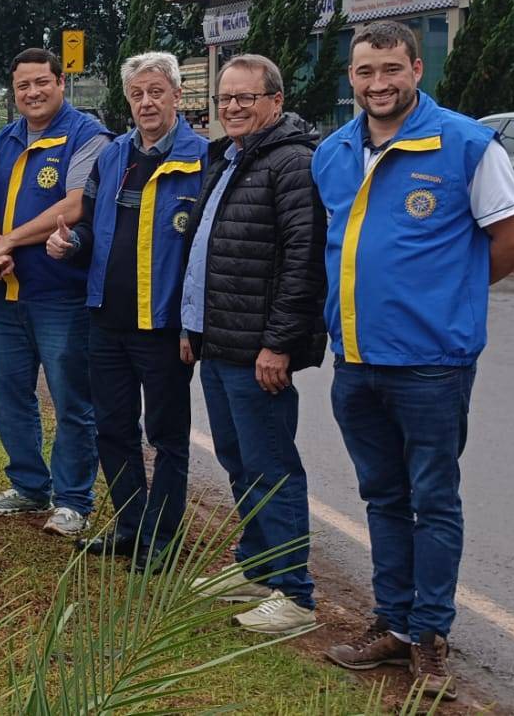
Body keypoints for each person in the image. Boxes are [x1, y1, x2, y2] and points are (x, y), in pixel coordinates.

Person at [314, 21, 514, 699]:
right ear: (351, 78)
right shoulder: (333, 152)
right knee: (383, 496)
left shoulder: (466, 145)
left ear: (416, 69)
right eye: (365, 71)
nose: (378, 83)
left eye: (391, 69)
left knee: (432, 501)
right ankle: (392, 622)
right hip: (355, 361)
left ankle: (429, 636)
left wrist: (450, 296)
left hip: (432, 366)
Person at [178, 54, 327, 634]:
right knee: (239, 462)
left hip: (259, 352)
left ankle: (295, 594)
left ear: (276, 102)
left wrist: (279, 344)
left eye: (246, 98)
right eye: (225, 98)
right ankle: (258, 567)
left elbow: (303, 261)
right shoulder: (230, 157)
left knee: (272, 467)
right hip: (220, 344)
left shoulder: (292, 163)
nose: (233, 107)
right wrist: (194, 328)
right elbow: (208, 251)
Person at [47, 51, 207, 570]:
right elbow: (91, 227)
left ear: (177, 95)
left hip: (163, 325)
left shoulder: (203, 159)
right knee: (113, 429)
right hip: (107, 319)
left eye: (156, 92)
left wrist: (193, 323)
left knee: (166, 437)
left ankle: (162, 538)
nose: (146, 103)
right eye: (137, 94)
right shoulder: (113, 155)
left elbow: (206, 252)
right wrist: (71, 244)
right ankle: (131, 525)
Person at [0, 47, 111, 537]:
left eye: (42, 82)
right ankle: (30, 486)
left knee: (72, 401)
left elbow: (74, 205)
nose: (32, 93)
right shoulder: (6, 138)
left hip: (63, 297)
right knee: (8, 394)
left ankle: (73, 500)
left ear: (60, 82)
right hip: (7, 294)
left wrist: (9, 240)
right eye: (23, 86)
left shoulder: (87, 136)